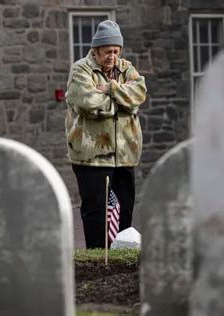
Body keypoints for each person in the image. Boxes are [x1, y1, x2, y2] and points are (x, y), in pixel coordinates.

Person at [65, 20, 147, 248]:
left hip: (125, 154)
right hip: (92, 157)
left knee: (125, 215)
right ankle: (97, 263)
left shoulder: (126, 68)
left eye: (116, 51)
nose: (112, 56)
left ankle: (122, 260)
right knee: (97, 214)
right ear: (96, 50)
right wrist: (124, 103)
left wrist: (111, 88)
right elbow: (87, 104)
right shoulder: (81, 69)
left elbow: (139, 93)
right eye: (107, 51)